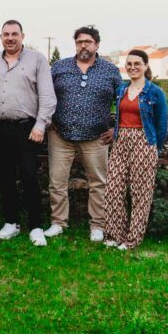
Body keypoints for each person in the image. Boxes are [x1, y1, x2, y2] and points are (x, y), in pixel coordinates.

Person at [0, 20, 56, 247]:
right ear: (0, 37)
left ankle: (36, 226)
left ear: (23, 36)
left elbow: (47, 96)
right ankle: (11, 222)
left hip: (27, 128)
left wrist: (40, 125)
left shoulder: (37, 60)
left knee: (30, 177)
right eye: (6, 34)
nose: (10, 38)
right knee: (5, 177)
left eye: (14, 34)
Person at [45, 26, 122, 242]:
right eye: (79, 42)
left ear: (97, 45)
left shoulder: (110, 71)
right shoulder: (59, 67)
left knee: (98, 183)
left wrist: (116, 128)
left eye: (88, 42)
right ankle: (58, 223)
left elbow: (124, 101)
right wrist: (47, 119)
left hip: (97, 137)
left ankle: (97, 225)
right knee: (57, 182)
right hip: (60, 135)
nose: (83, 45)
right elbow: (44, 94)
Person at [103, 50, 168, 251]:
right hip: (120, 141)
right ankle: (115, 235)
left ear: (146, 65)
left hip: (144, 142)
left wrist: (153, 148)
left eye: (137, 64)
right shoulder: (121, 90)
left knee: (141, 194)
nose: (132, 67)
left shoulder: (155, 92)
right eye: (129, 64)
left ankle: (132, 239)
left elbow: (161, 125)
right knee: (113, 188)